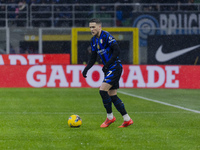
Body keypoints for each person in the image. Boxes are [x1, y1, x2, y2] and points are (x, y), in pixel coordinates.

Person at [82, 18, 133, 128]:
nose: (91, 29)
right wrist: (86, 69)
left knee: (102, 90)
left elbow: (117, 50)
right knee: (112, 95)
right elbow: (93, 57)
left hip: (115, 67)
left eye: (93, 27)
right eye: (90, 27)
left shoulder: (106, 36)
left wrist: (107, 64)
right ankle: (127, 119)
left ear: (99, 27)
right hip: (109, 68)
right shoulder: (93, 40)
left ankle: (110, 117)